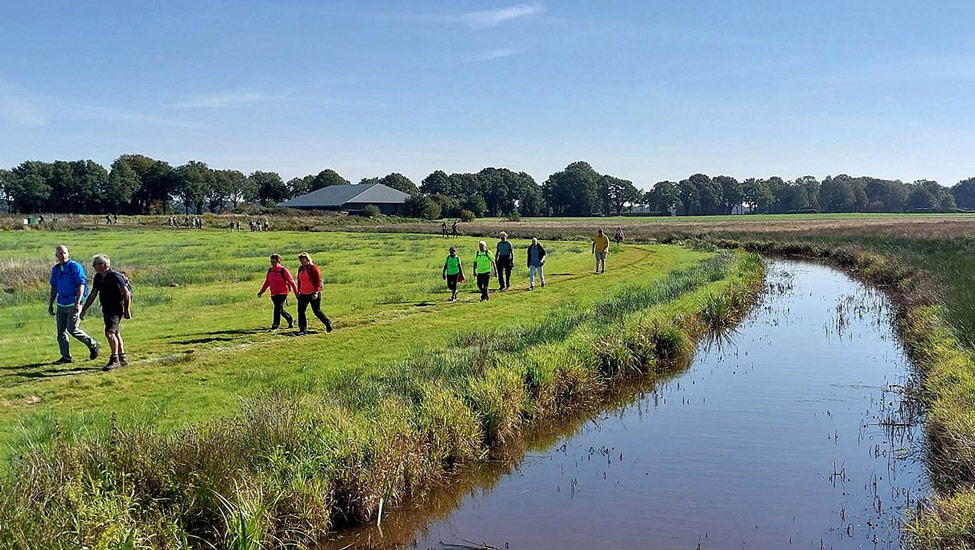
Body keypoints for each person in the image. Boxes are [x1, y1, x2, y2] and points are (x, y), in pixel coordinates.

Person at [48, 245, 99, 364]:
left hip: (73, 302)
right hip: (61, 303)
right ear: (56, 256)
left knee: (72, 329)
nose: (63, 256)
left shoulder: (74, 267)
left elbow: (81, 284)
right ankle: (66, 357)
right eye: (60, 254)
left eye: (64, 253)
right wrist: (50, 304)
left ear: (68, 254)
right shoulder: (56, 269)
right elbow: (54, 287)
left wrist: (78, 303)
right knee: (61, 332)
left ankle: (93, 344)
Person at [80, 254, 132, 371]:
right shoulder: (98, 277)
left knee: (109, 333)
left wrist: (127, 310)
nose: (93, 266)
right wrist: (84, 309)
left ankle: (115, 359)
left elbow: (126, 293)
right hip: (106, 307)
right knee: (115, 332)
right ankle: (122, 357)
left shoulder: (115, 276)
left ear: (102, 265)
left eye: (95, 264)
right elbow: (93, 294)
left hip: (116, 307)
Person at [295, 252, 333, 335]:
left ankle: (327, 323)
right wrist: (298, 291)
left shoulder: (313, 268)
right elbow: (299, 281)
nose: (303, 263)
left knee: (316, 311)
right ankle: (303, 329)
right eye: (301, 261)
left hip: (313, 293)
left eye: (304, 261)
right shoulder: (301, 269)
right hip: (303, 293)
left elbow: (318, 281)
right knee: (301, 311)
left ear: (308, 260)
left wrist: (316, 292)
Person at [257, 254, 298, 330]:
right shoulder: (270, 270)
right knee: (280, 309)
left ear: (279, 261)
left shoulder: (283, 270)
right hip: (273, 293)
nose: (273, 264)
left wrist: (296, 293)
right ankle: (290, 319)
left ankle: (275, 325)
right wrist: (261, 291)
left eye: (274, 262)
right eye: (271, 262)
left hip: (282, 292)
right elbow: (267, 282)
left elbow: (291, 281)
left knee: (277, 308)